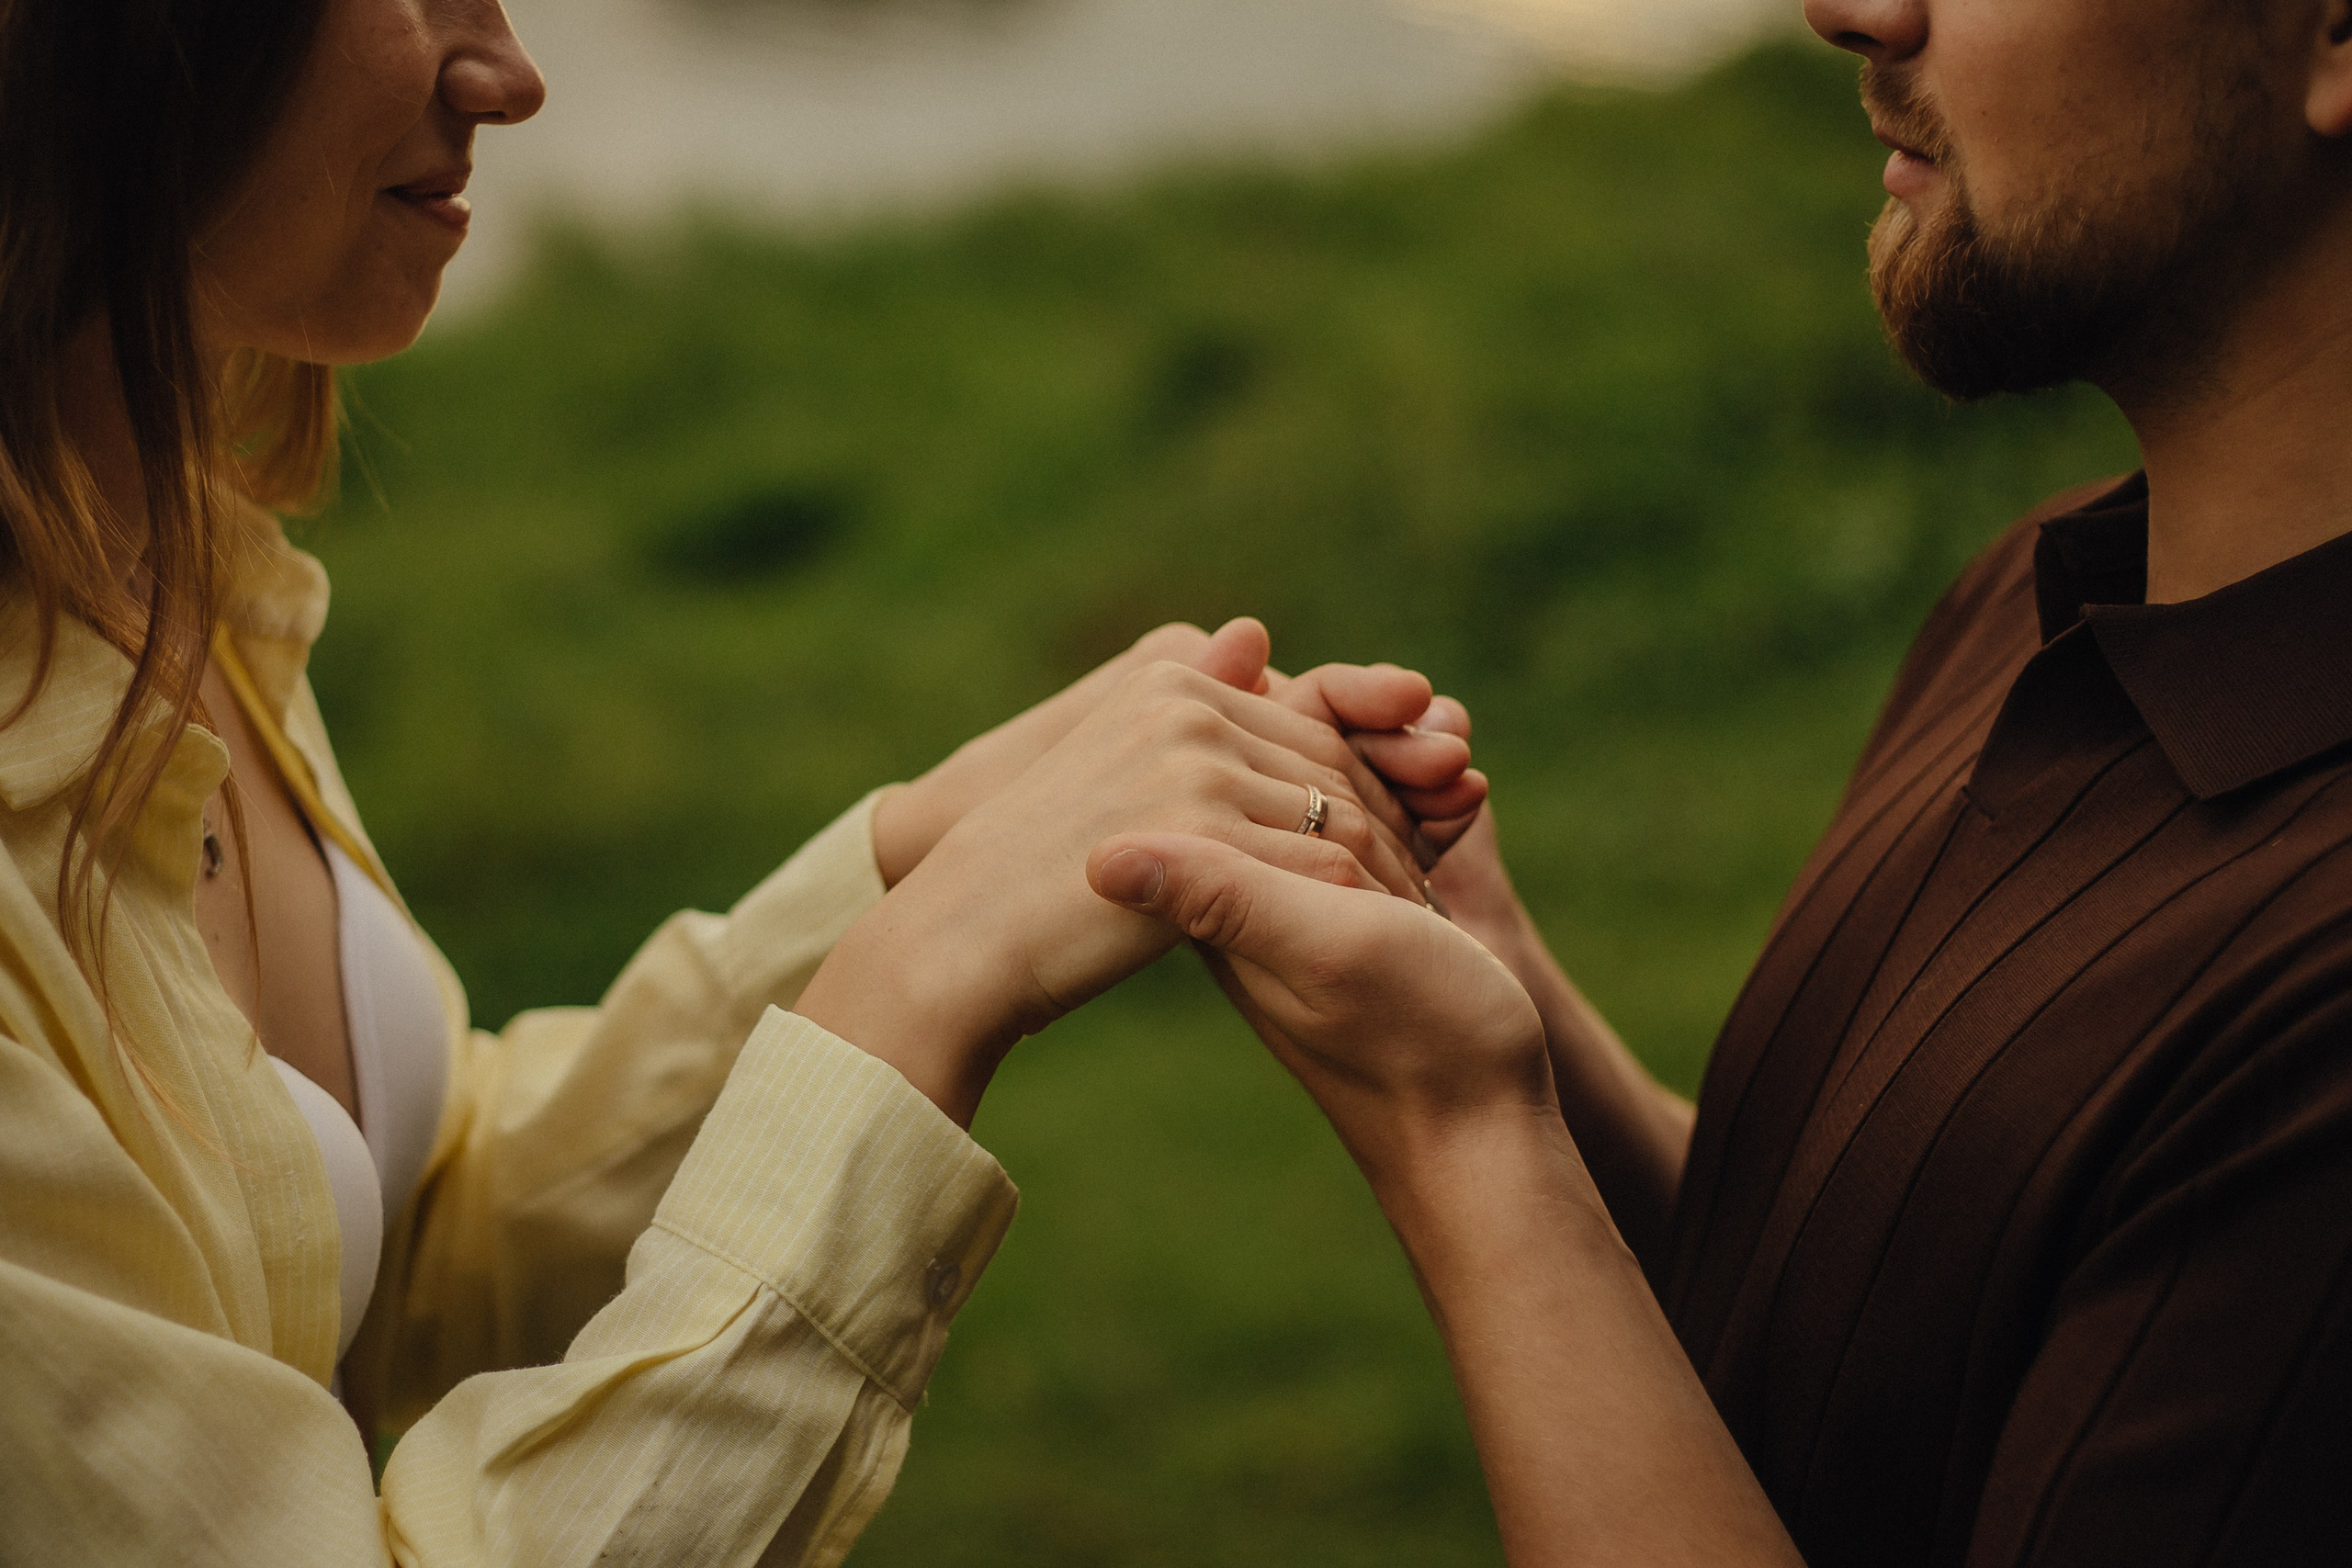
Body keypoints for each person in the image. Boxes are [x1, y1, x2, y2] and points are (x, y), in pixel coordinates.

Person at [0, 1, 1490, 1562]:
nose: (510, 77)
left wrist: (935, 846)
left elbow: (380, 1251)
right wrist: (919, 993)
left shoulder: (163, 564)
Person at [1096, 0, 2352, 1563]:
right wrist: (1506, 1012)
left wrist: (1459, 1140)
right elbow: (1870, 1343)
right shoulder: (2044, 601)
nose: (1852, 9)